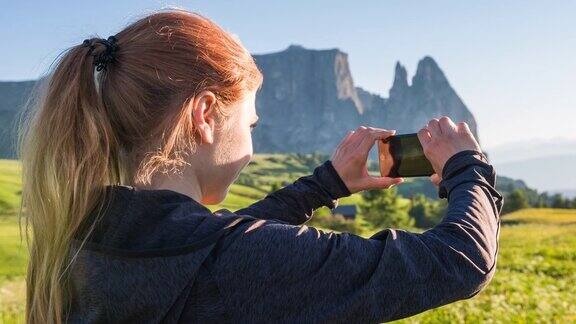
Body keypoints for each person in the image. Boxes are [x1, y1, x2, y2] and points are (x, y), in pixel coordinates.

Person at [17, 8, 503, 324]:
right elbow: (460, 262)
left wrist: (326, 184)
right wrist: (466, 167)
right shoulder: (236, 265)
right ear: (205, 116)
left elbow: (217, 240)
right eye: (250, 124)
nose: (253, 140)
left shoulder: (85, 235)